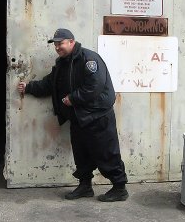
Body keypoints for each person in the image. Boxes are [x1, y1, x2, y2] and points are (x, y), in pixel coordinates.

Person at [17, 28, 128, 202]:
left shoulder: (89, 59)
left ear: (71, 41)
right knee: (81, 153)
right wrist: (29, 87)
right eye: (55, 44)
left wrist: (73, 98)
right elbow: (50, 83)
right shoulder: (63, 63)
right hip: (78, 117)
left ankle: (120, 188)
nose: (57, 47)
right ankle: (85, 186)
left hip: (97, 116)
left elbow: (95, 86)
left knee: (106, 152)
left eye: (60, 43)